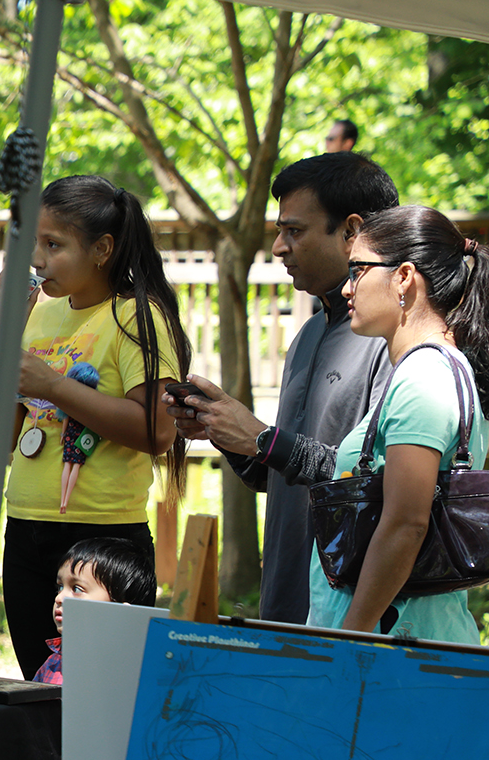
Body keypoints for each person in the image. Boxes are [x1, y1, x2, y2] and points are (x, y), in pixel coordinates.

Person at [165, 154, 398, 623]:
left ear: (351, 231)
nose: (277, 247)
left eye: (294, 231)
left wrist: (260, 437)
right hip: (285, 603)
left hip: (353, 617)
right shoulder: (308, 335)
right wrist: (223, 431)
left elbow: (378, 487)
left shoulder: (394, 341)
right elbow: (280, 477)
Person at [0, 175, 190, 679]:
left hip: (102, 536)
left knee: (99, 695)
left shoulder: (136, 315)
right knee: (42, 691)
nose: (37, 259)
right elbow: (6, 436)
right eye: (34, 242)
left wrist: (55, 385)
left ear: (102, 248)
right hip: (27, 526)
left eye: (53, 244)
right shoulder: (41, 315)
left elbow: (157, 431)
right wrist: (3, 340)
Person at [306, 206, 489, 643]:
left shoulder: (424, 380)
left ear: (403, 277)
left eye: (358, 270)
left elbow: (406, 523)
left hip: (391, 653)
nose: (347, 287)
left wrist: (352, 639)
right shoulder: (428, 371)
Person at [32, 537, 157, 684]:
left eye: (77, 589)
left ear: (121, 613)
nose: (59, 598)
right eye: (60, 587)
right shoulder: (53, 664)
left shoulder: (136, 675)